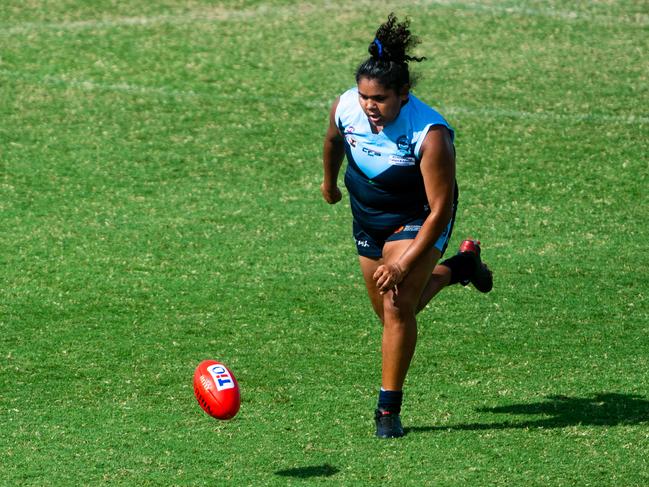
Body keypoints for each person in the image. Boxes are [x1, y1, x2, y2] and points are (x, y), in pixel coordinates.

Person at [320, 13, 493, 439]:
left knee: (396, 302)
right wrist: (328, 183)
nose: (369, 107)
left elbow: (438, 212)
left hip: (418, 216)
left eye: (379, 98)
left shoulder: (430, 133)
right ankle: (461, 269)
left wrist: (401, 264)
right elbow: (332, 140)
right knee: (396, 312)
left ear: (404, 94)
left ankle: (387, 411)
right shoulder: (346, 107)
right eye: (364, 96)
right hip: (367, 217)